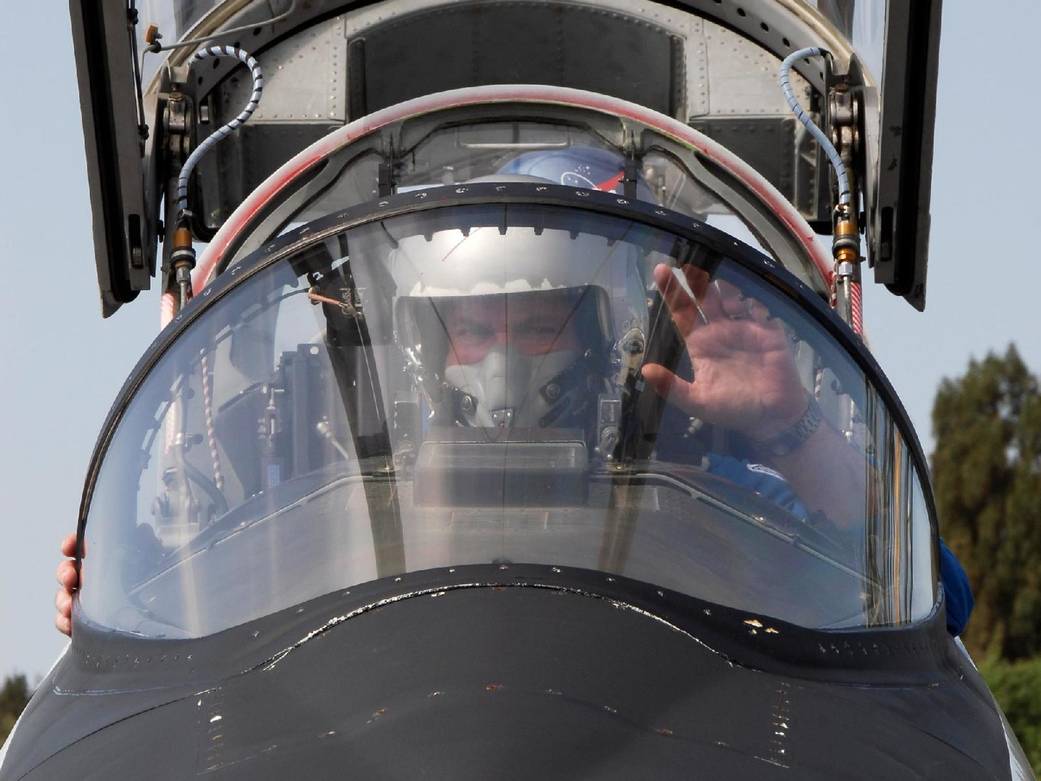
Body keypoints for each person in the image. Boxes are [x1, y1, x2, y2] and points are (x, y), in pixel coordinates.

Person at [54, 147, 973, 637]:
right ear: (426, 338)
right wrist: (101, 603)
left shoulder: (710, 474)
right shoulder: (312, 477)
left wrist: (790, 426)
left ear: (600, 325)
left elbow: (933, 601)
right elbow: (171, 616)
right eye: (473, 327)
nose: (501, 357)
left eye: (538, 322)